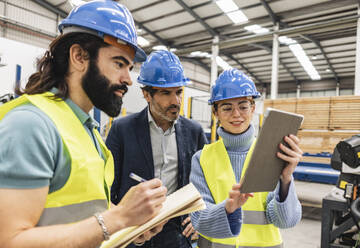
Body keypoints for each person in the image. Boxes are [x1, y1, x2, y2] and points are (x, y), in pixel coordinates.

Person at [0, 1, 167, 247]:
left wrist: (130, 222)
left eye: (129, 68)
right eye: (119, 63)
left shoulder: (86, 128)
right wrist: (118, 217)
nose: (127, 79)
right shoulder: (31, 125)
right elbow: (10, 240)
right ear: (79, 57)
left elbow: (86, 208)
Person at [190, 68, 303, 248]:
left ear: (252, 108)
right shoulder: (202, 158)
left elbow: (286, 221)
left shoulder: (273, 152)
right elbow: (199, 221)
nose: (236, 114)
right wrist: (228, 209)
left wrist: (286, 179)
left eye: (243, 106)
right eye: (227, 108)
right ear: (215, 113)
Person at [106, 50, 208, 248]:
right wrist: (119, 226)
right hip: (134, 232)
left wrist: (200, 216)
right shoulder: (122, 130)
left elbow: (207, 182)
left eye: (178, 92)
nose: (176, 101)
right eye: (165, 93)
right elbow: (107, 188)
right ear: (146, 94)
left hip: (177, 234)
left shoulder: (194, 132)